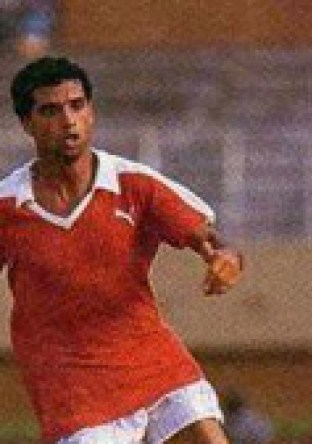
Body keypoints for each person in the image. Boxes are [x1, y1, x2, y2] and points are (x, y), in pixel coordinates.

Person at [2, 56, 243, 443]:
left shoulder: (133, 184)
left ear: (91, 112)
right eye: (50, 110)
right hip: (72, 388)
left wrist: (225, 257)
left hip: (153, 361)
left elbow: (211, 239)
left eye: (77, 106)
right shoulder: (7, 207)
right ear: (26, 124)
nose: (68, 121)